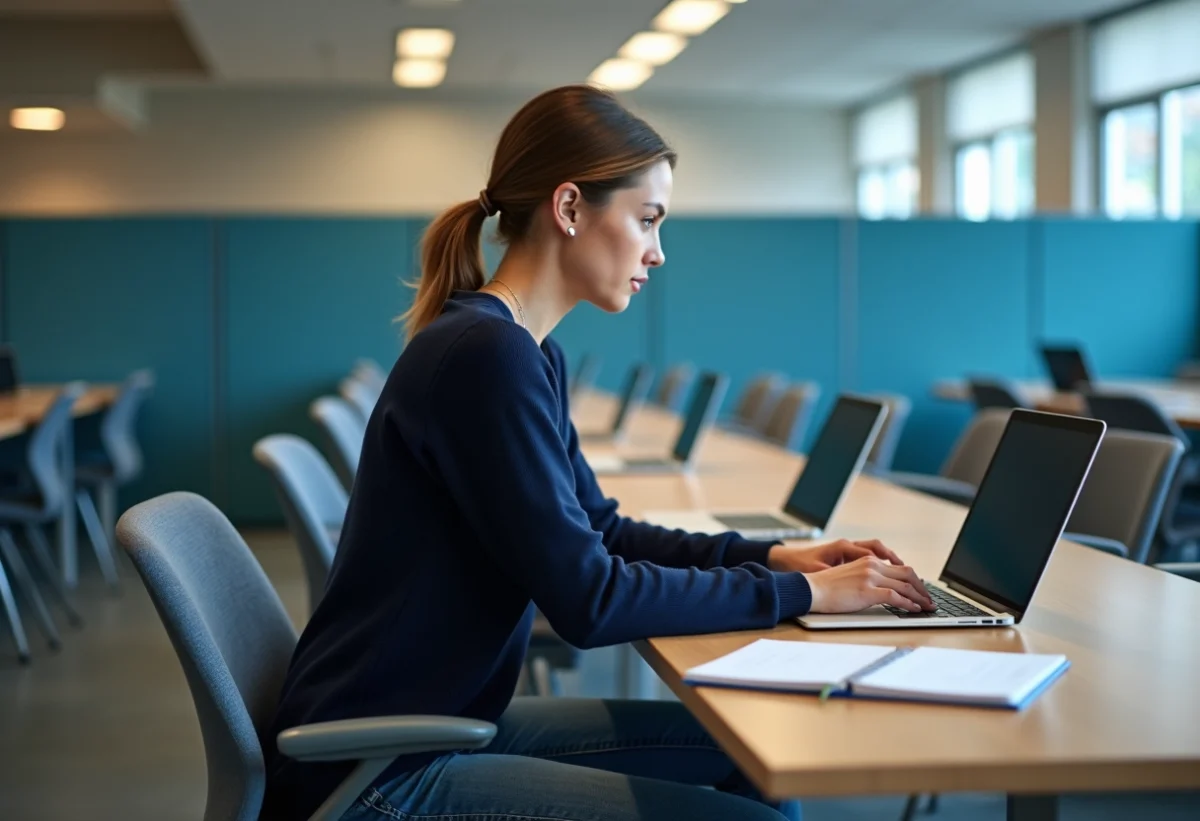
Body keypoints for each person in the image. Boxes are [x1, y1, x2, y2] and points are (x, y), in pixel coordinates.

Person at [262, 84, 934, 821]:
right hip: (378, 770)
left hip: (436, 721)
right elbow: (591, 599)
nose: (658, 250)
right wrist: (804, 597)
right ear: (571, 207)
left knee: (751, 758)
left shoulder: (522, 351)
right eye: (647, 219)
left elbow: (602, 533)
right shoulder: (484, 356)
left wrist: (775, 559)